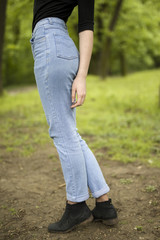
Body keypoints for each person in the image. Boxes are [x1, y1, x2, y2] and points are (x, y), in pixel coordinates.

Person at [29, 0, 118, 234]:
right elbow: (86, 24)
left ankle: (76, 204)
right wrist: (81, 75)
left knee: (62, 132)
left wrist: (82, 77)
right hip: (62, 47)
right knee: (70, 133)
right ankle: (103, 203)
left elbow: (86, 25)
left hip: (51, 44)